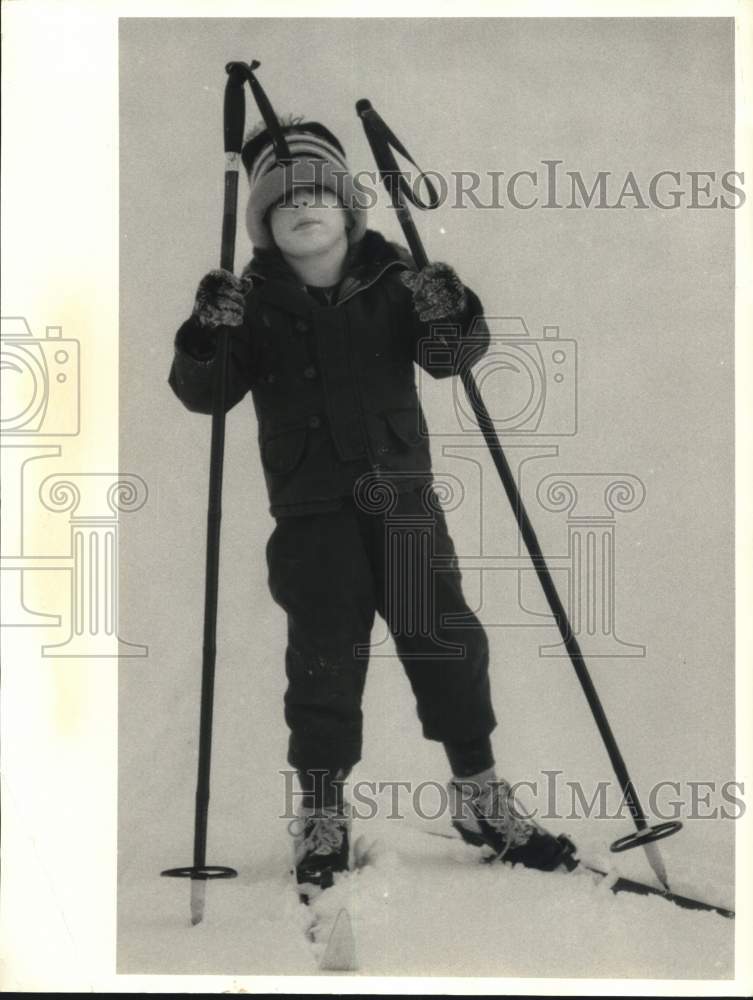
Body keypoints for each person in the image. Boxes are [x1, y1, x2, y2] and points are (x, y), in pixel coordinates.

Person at [168, 117, 573, 893]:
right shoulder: (247, 301)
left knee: (446, 639)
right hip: (311, 517)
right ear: (260, 223)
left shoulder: (393, 281)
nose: (304, 209)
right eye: (282, 202)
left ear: (351, 209)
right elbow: (206, 396)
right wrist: (204, 336)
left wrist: (450, 305)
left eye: (321, 192)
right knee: (323, 658)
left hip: (403, 505)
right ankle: (322, 810)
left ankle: (480, 794)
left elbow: (449, 358)